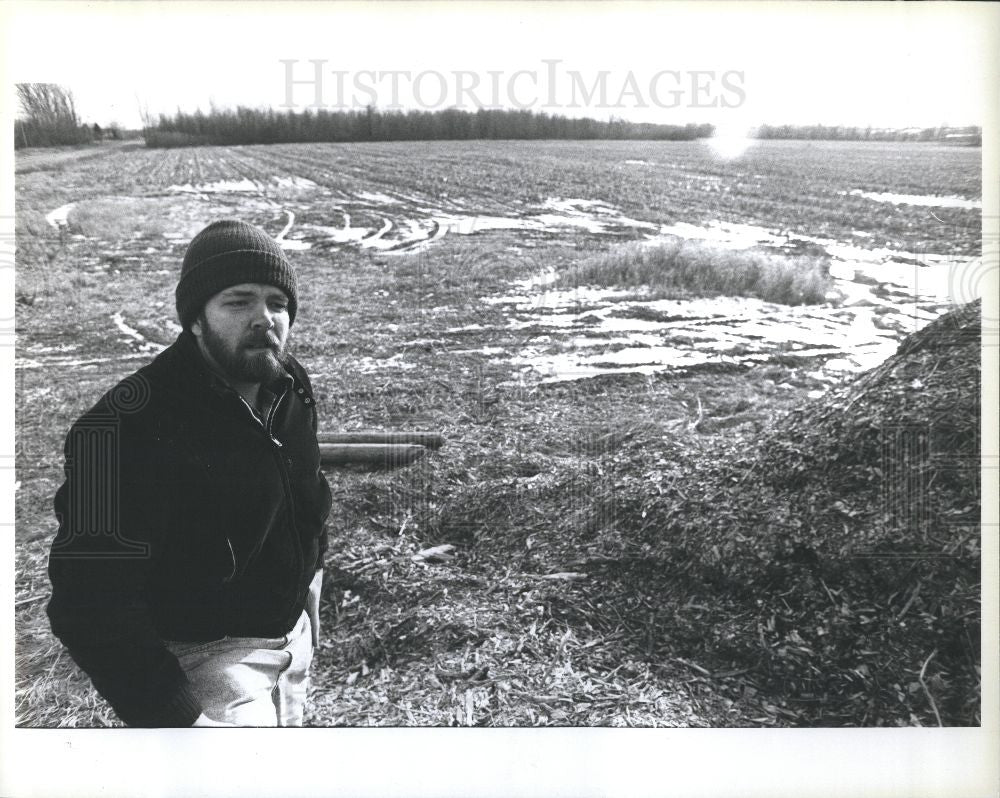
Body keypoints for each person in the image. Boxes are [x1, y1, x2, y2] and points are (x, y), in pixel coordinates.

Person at [47, 219, 333, 727]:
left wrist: (310, 578)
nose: (265, 318)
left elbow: (306, 493)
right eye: (238, 301)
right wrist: (176, 719)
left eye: (277, 302)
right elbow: (87, 602)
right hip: (208, 664)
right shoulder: (119, 428)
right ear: (195, 319)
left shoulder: (287, 384)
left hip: (293, 639)